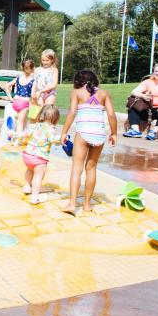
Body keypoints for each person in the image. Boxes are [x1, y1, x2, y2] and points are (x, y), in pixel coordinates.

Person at [59, 70, 117, 215]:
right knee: (91, 168)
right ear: (95, 80)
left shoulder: (76, 93)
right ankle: (86, 205)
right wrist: (114, 133)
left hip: (83, 133)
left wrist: (64, 132)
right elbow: (111, 114)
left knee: (76, 168)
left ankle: (72, 204)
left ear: (77, 81)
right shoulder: (104, 94)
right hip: (99, 134)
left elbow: (72, 113)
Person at [18, 104, 61, 205]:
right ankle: (34, 197)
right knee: (38, 176)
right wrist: (62, 139)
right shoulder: (50, 129)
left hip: (27, 156)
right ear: (55, 119)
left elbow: (24, 135)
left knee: (29, 170)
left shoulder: (33, 126)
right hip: (39, 158)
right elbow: (52, 139)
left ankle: (27, 187)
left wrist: (16, 136)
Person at [124, 62, 158, 139]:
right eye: (155, 71)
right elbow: (134, 91)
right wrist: (143, 96)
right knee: (133, 106)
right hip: (147, 109)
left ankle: (154, 132)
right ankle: (135, 130)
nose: (157, 73)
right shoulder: (148, 82)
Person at [3, 58, 36, 136]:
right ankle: (16, 139)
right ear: (33, 68)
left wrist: (11, 98)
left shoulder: (18, 78)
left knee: (23, 121)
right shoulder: (33, 81)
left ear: (22, 68)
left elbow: (6, 86)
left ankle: (15, 134)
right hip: (24, 103)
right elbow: (33, 95)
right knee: (20, 124)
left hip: (15, 102)